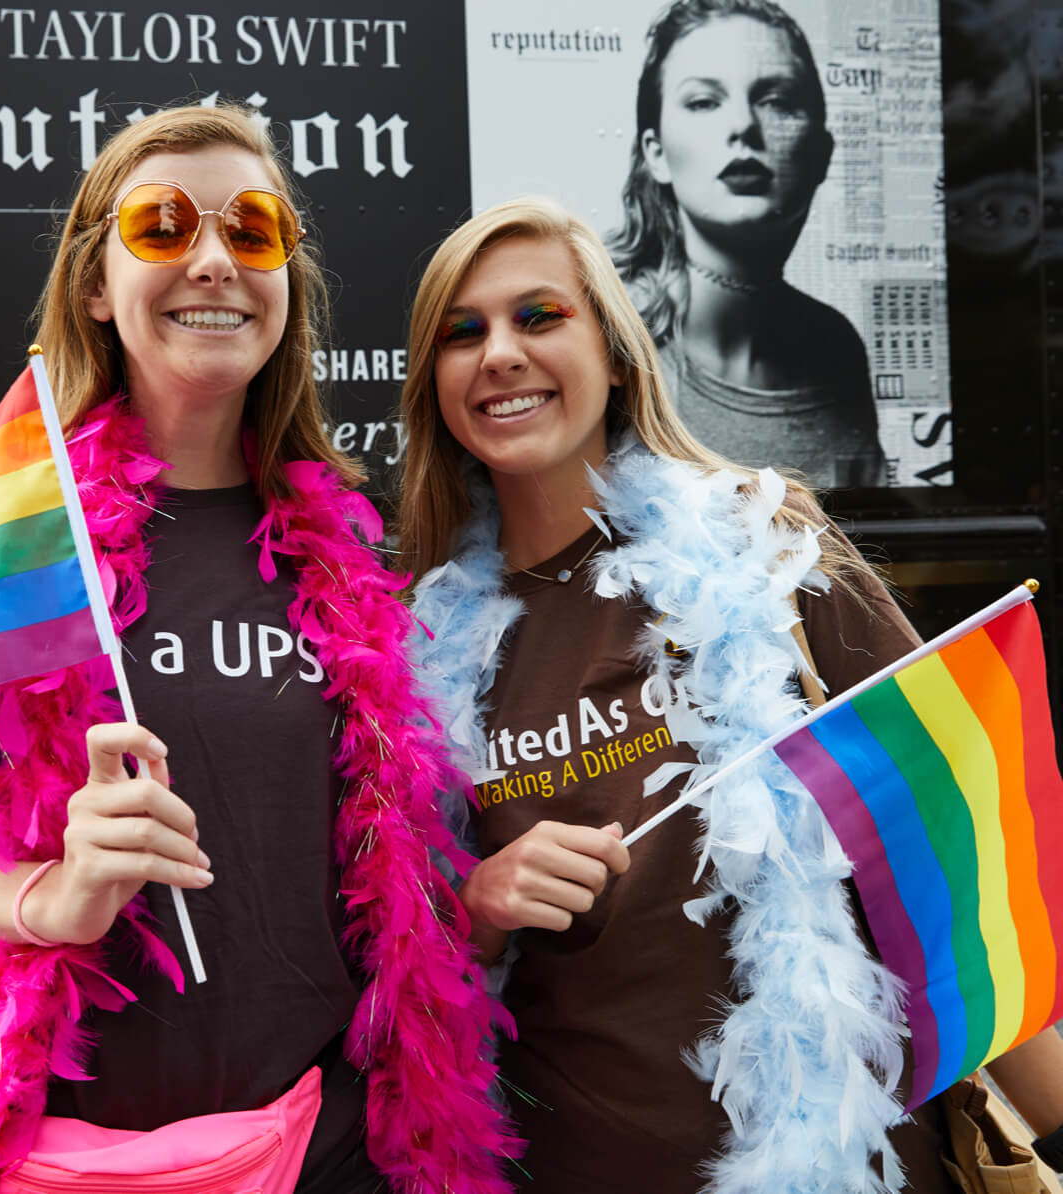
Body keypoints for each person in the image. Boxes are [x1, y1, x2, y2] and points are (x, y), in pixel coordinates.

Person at [0, 104, 518, 1194]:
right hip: (52, 1153)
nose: (215, 260)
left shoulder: (360, 563)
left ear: (286, 280)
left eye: (253, 230)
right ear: (95, 284)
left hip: (329, 1150)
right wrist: (47, 897)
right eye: (165, 226)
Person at [397, 195, 1063, 1193]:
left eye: (541, 317)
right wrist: (476, 904)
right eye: (464, 332)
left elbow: (948, 816)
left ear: (617, 354)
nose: (500, 352)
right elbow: (390, 968)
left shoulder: (761, 543)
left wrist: (1047, 1098)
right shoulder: (419, 648)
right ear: (435, 385)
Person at [608, 0, 885, 488]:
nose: (744, 127)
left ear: (821, 153)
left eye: (776, 100)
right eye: (704, 102)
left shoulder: (835, 348)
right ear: (656, 154)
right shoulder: (607, 340)